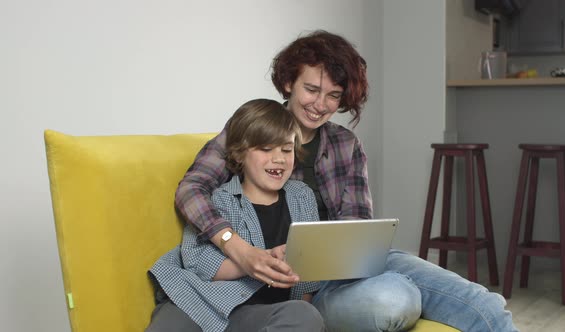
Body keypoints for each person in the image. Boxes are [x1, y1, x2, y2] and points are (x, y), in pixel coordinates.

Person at [174, 30, 518, 331]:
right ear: (289, 82)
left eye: (333, 96)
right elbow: (192, 189)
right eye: (311, 89)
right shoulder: (250, 130)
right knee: (396, 300)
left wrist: (352, 253)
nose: (319, 105)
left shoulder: (345, 145)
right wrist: (240, 249)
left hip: (344, 267)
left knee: (483, 302)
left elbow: (357, 227)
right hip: (301, 286)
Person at [146, 99, 326, 332]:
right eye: (265, 148)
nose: (279, 158)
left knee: (305, 315)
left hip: (253, 315)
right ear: (240, 154)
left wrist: (303, 306)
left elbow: (308, 272)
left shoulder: (302, 197)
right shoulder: (220, 198)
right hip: (199, 300)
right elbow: (196, 261)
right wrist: (255, 262)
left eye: (286, 149)